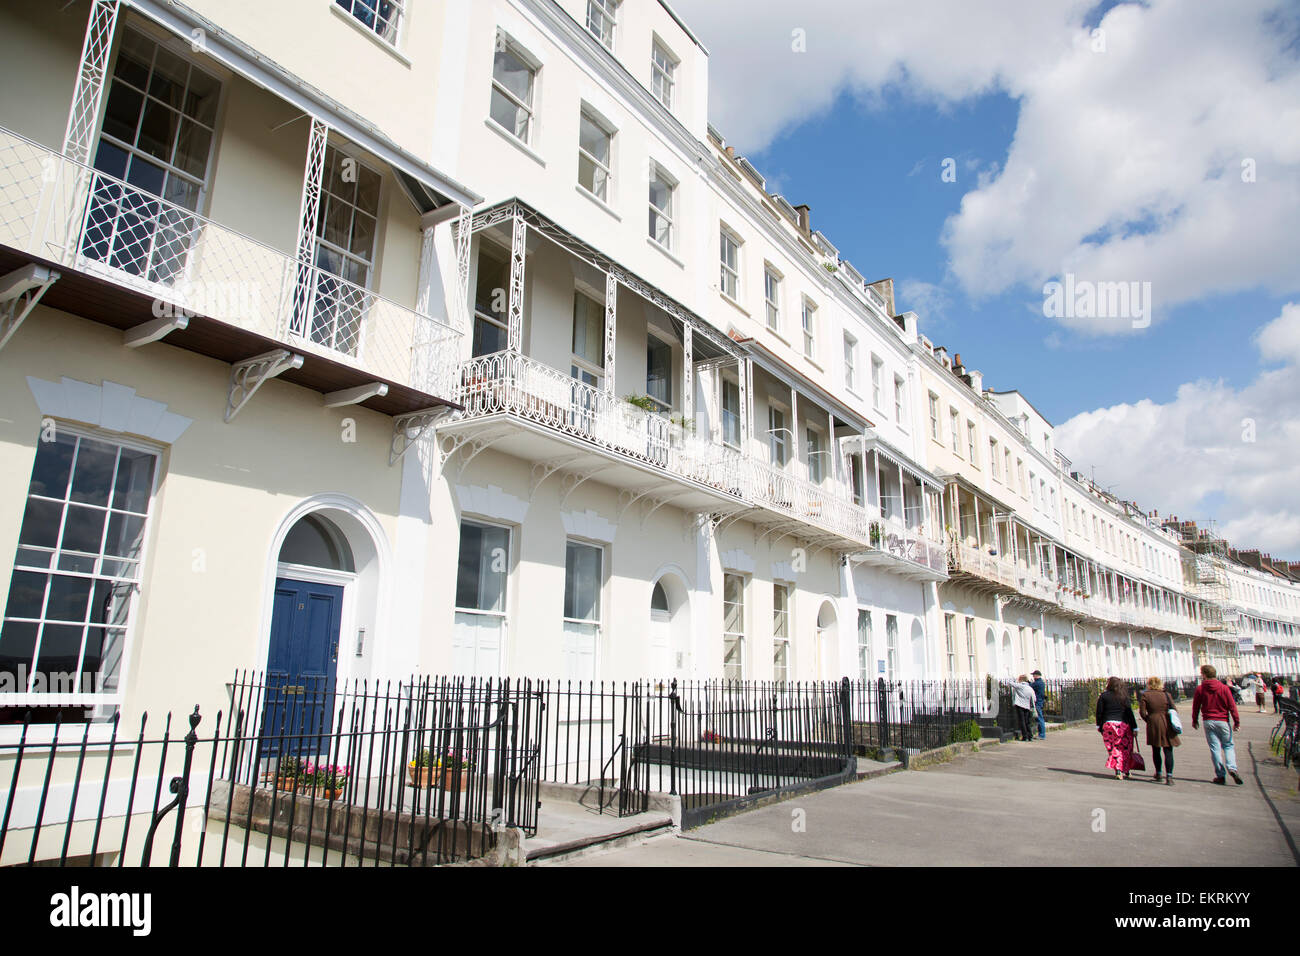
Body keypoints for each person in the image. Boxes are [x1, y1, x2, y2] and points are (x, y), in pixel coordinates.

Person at [1191, 663, 1242, 785]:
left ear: (1204, 675)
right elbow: (1232, 706)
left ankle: (1220, 775)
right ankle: (1232, 768)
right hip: (1223, 720)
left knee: (1215, 748)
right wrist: (1237, 722)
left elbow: (1196, 706)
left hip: (1208, 720)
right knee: (1228, 746)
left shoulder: (1200, 688)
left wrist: (1195, 720)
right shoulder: (1224, 688)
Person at [1138, 676, 1179, 786]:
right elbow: (1174, 709)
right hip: (1166, 722)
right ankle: (1169, 776)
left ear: (1149, 684)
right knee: (1168, 750)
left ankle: (1159, 773)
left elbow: (1142, 713)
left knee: (1156, 750)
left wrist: (1149, 719)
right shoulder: (1166, 694)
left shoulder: (1145, 695)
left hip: (1154, 723)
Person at [1096, 676, 1139, 779]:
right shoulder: (1123, 696)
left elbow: (1099, 712)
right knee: (1125, 748)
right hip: (1122, 725)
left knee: (1113, 748)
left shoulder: (1104, 696)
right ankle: (1126, 770)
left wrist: (1099, 725)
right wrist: (1135, 727)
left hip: (1109, 725)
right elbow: (1129, 713)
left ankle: (1118, 770)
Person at [1010, 675, 1036, 742]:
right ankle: (1030, 736)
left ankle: (1025, 736)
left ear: (1021, 680)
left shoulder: (1021, 686)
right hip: (1027, 706)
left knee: (1022, 721)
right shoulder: (1029, 688)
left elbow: (1011, 683)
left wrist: (1014, 680)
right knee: (1027, 721)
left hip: (1020, 705)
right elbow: (1034, 698)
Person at [1031, 670, 1047, 739]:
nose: (1033, 676)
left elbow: (1030, 686)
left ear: (1036, 675)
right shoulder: (1041, 682)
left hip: (1037, 702)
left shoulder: (1037, 683)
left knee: (1039, 718)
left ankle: (1042, 735)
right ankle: (1041, 734)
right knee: (1039, 718)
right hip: (1040, 701)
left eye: (1033, 675)